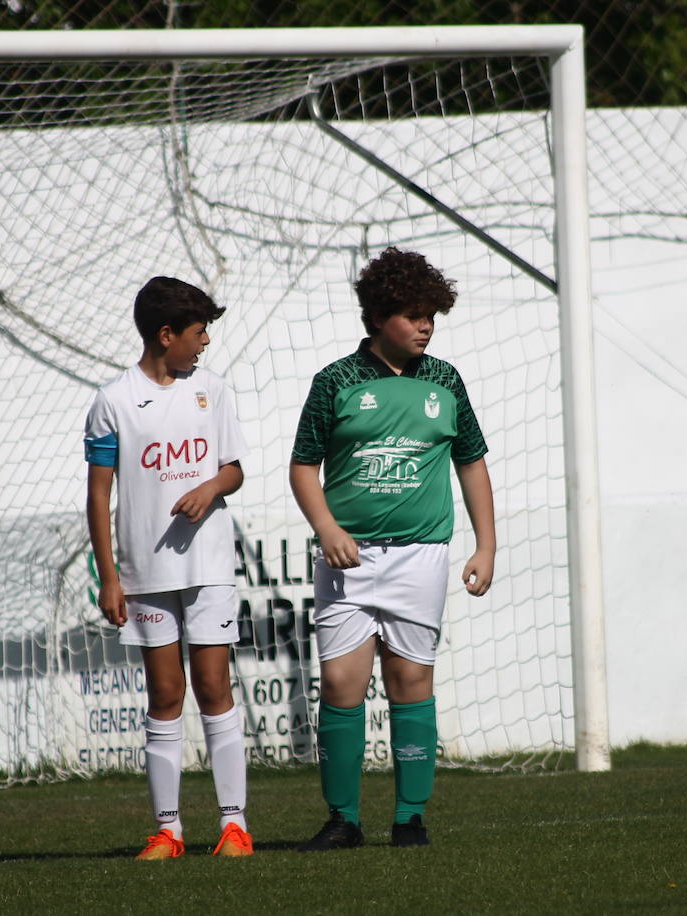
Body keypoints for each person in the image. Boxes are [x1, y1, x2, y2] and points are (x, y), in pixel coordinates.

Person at [289, 247, 496, 851]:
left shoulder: (445, 380)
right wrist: (327, 528)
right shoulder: (335, 381)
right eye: (413, 314)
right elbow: (304, 467)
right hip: (347, 560)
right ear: (378, 317)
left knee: (411, 681)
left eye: (431, 314)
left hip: (420, 556)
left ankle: (410, 818)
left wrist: (486, 546)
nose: (426, 325)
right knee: (340, 684)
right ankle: (342, 819)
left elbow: (472, 465)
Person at [84, 276, 253, 860]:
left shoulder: (213, 389)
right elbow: (98, 496)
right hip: (144, 572)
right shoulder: (113, 401)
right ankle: (169, 831)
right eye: (199, 331)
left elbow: (233, 470)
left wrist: (209, 489)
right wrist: (109, 576)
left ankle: (234, 826)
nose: (205, 342)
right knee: (164, 693)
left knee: (212, 686)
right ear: (166, 334)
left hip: (208, 565)